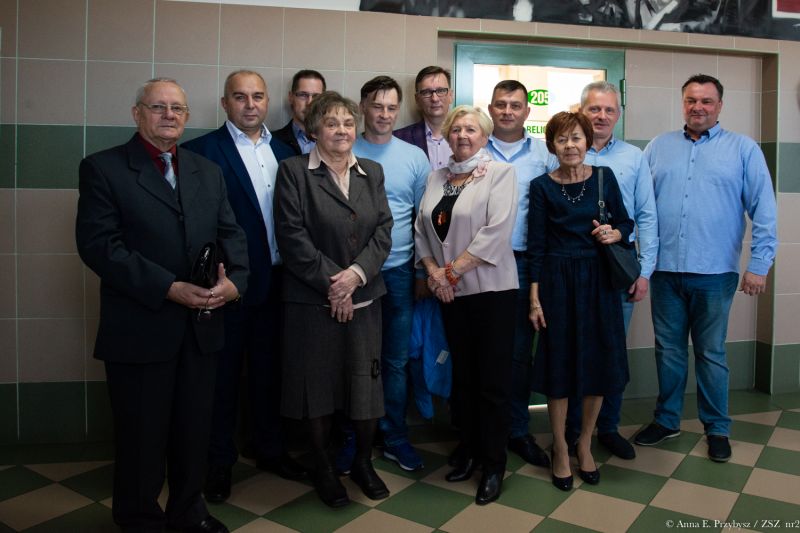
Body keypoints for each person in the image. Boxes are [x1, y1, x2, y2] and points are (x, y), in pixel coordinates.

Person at [76, 78, 248, 533]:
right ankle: (139, 519)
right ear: (137, 114)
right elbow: (99, 246)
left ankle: (189, 511)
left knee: (194, 430)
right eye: (158, 107)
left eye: (178, 108)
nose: (169, 115)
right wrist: (168, 288)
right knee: (142, 436)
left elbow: (231, 234)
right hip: (140, 328)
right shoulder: (103, 168)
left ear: (187, 116)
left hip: (201, 327)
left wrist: (235, 284)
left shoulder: (206, 171)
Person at [636, 74, 777, 462]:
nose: (698, 107)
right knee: (668, 351)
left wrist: (759, 265)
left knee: (711, 353)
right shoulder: (658, 147)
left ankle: (717, 427)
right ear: (682, 103)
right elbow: (641, 206)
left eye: (706, 101)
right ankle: (667, 420)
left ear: (720, 106)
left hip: (715, 273)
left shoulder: (743, 149)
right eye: (691, 100)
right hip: (664, 271)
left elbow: (765, 211)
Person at [182, 70, 306, 504]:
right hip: (229, 286)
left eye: (257, 96)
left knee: (270, 372)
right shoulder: (200, 153)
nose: (250, 105)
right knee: (222, 378)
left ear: (268, 101)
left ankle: (270, 449)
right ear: (225, 103)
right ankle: (219, 462)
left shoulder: (287, 152)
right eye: (240, 97)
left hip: (280, 282)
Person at [273, 91, 394, 508]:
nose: (341, 130)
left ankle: (363, 462)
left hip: (365, 299)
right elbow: (291, 236)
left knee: (365, 385)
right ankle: (323, 468)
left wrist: (356, 276)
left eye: (347, 123)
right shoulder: (293, 171)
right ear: (314, 130)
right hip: (312, 302)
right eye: (331, 123)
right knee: (317, 389)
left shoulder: (372, 172)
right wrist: (335, 284)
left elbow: (384, 231)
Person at [415, 105, 518, 505]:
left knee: (492, 383)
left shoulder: (500, 174)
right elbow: (421, 230)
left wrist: (449, 273)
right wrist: (433, 272)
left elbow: (496, 232)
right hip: (450, 294)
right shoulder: (436, 177)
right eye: (455, 129)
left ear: (485, 136)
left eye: (471, 129)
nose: (462, 135)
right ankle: (469, 449)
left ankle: (493, 464)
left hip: (491, 293)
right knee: (464, 379)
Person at [528, 112, 633, 492]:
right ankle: (560, 447)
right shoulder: (542, 187)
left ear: (587, 141)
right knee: (559, 365)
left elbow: (626, 223)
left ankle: (585, 443)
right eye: (561, 139)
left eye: (576, 138)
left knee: (598, 362)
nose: (569, 145)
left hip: (599, 281)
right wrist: (534, 297)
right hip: (557, 282)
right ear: (551, 146)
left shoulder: (605, 177)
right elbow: (537, 243)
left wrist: (614, 232)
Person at [564, 81, 659, 460]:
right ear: (581, 111)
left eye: (609, 110)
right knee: (575, 350)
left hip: (618, 270)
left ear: (618, 115)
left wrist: (644, 272)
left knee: (611, 352)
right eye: (594, 109)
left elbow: (647, 216)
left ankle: (607, 428)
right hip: (571, 271)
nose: (601, 116)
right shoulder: (564, 151)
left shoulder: (634, 158)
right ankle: (572, 432)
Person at [353, 76, 431, 472]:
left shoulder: (414, 157)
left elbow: (423, 220)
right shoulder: (344, 148)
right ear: (363, 107)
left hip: (399, 272)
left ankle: (394, 436)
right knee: (353, 359)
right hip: (353, 277)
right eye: (377, 106)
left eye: (391, 107)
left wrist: (420, 272)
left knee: (395, 361)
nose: (384, 114)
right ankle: (353, 439)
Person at [486, 79, 558, 469]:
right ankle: (480, 431)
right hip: (478, 263)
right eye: (501, 104)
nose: (508, 111)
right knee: (481, 349)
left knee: (518, 353)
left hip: (524, 263)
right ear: (491, 109)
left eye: (515, 105)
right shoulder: (474, 148)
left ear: (528, 112)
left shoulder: (545, 155)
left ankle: (516, 429)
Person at [394, 66, 454, 170]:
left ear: (451, 96)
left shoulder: (467, 138)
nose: (435, 99)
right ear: (417, 99)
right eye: (426, 92)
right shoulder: (398, 139)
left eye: (440, 91)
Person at [273, 69, 327, 155]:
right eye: (303, 95)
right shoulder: (272, 141)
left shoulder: (335, 140)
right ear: (291, 98)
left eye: (316, 96)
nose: (309, 103)